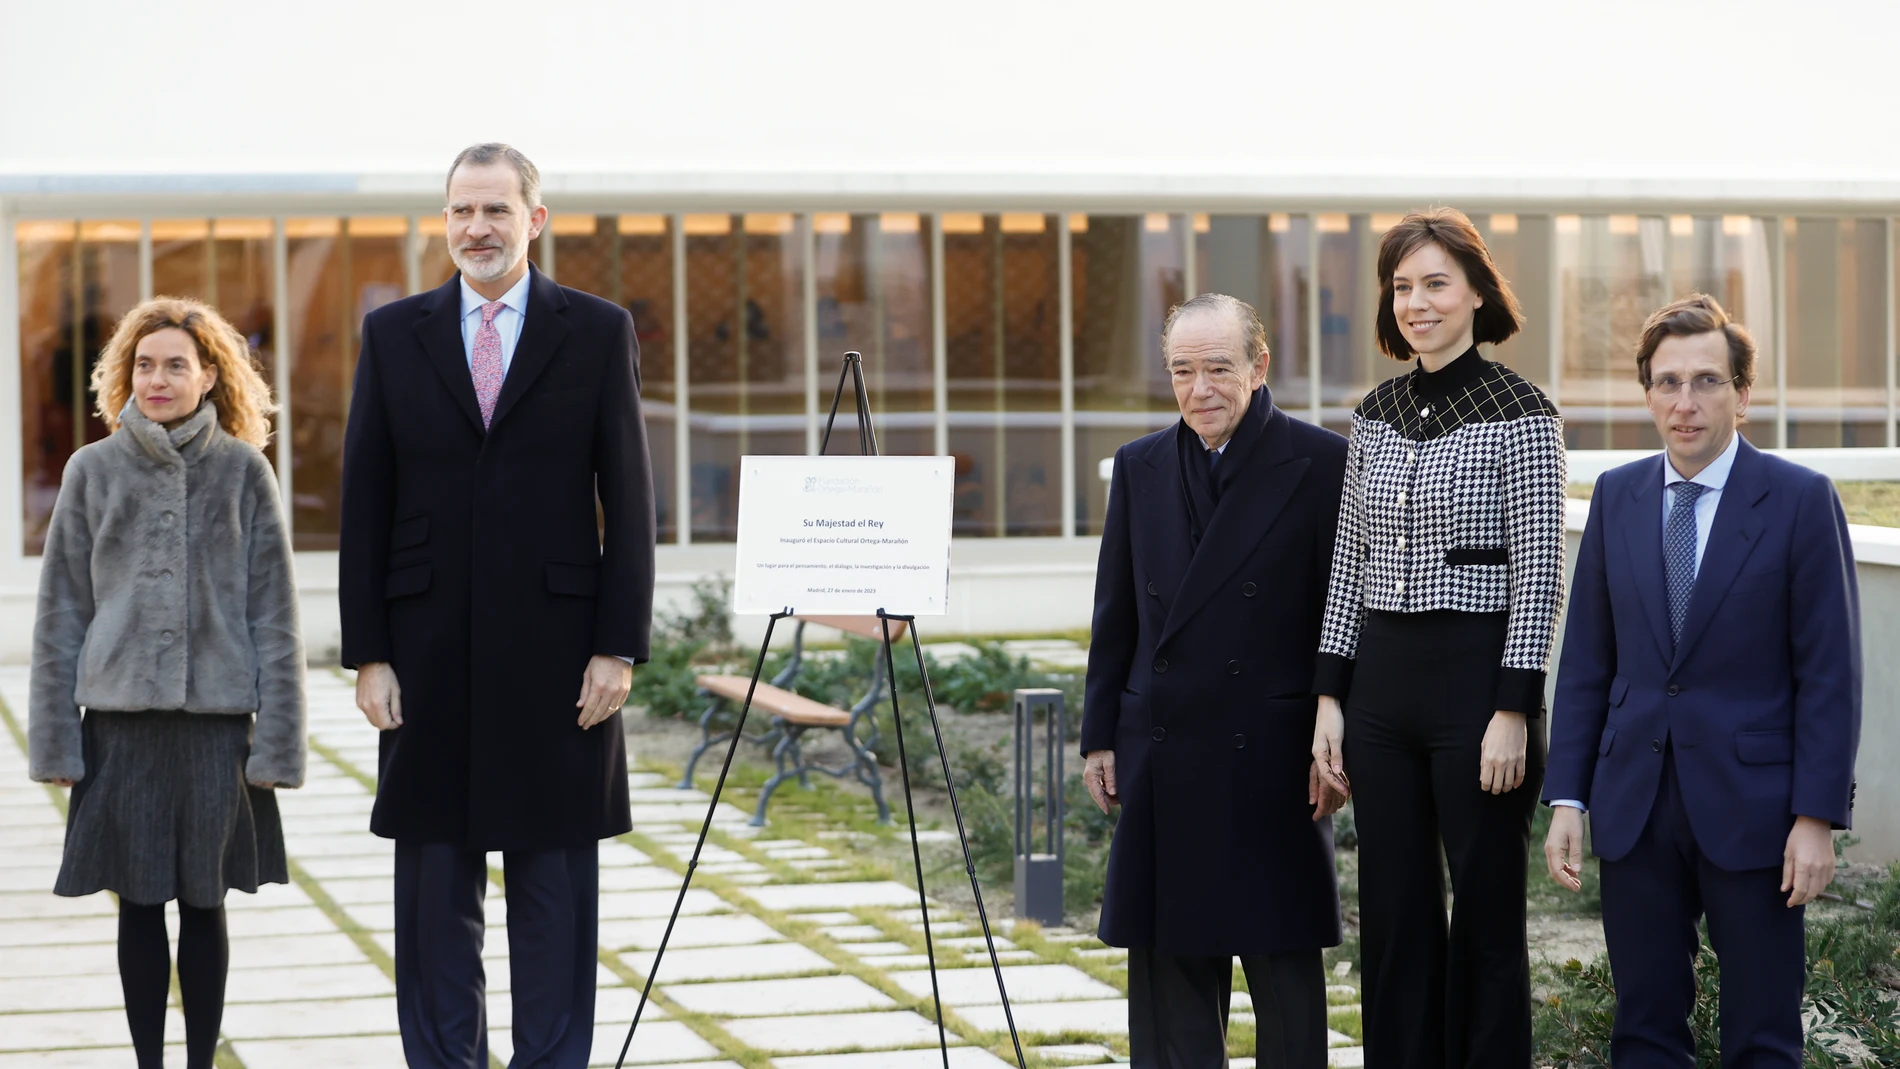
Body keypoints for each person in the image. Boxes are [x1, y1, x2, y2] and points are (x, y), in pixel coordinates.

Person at [339, 142, 655, 1069]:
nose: (476, 228)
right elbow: (366, 501)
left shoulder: (597, 331)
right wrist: (370, 652)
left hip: (560, 655)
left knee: (554, 887)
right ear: (444, 221)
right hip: (425, 651)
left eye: (496, 212)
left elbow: (630, 498)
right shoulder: (392, 334)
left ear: (535, 220)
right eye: (460, 212)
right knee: (435, 888)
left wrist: (617, 646)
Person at [1543, 294, 1860, 1068]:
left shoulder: (1799, 500)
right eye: (1668, 381)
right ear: (1647, 391)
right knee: (1645, 1030)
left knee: (1762, 1035)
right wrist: (1568, 795)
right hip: (1633, 804)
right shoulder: (1615, 495)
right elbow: (1587, 660)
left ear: (1743, 394)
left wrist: (1816, 815)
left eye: (1707, 381)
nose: (1685, 402)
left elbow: (1829, 673)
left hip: (1756, 812)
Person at [1310, 207, 1566, 1069]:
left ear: (1476, 293)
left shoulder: (1525, 411)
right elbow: (1348, 560)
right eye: (1402, 286)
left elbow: (1539, 572)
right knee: (1393, 913)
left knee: (1488, 916)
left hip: (1476, 686)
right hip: (1380, 686)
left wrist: (1513, 710)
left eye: (1435, 283)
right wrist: (1329, 700)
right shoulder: (1373, 414)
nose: (1417, 302)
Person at [28, 297, 305, 1069]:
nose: (158, 378)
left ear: (210, 375)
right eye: (143, 365)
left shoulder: (247, 472)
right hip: (119, 726)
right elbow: (59, 615)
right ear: (125, 376)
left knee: (206, 904)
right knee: (139, 904)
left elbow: (275, 615)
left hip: (218, 728)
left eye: (176, 364)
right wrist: (55, 736)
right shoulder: (92, 469)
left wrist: (277, 743)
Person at [1081, 293, 1349, 1069]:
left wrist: (1335, 737)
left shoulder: (1324, 462)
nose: (1200, 388)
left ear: (1259, 367)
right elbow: (1117, 612)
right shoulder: (1140, 465)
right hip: (1163, 746)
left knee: (1286, 983)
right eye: (1182, 370)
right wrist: (1101, 733)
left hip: (1273, 755)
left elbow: (1344, 616)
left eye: (1219, 368)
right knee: (1171, 985)